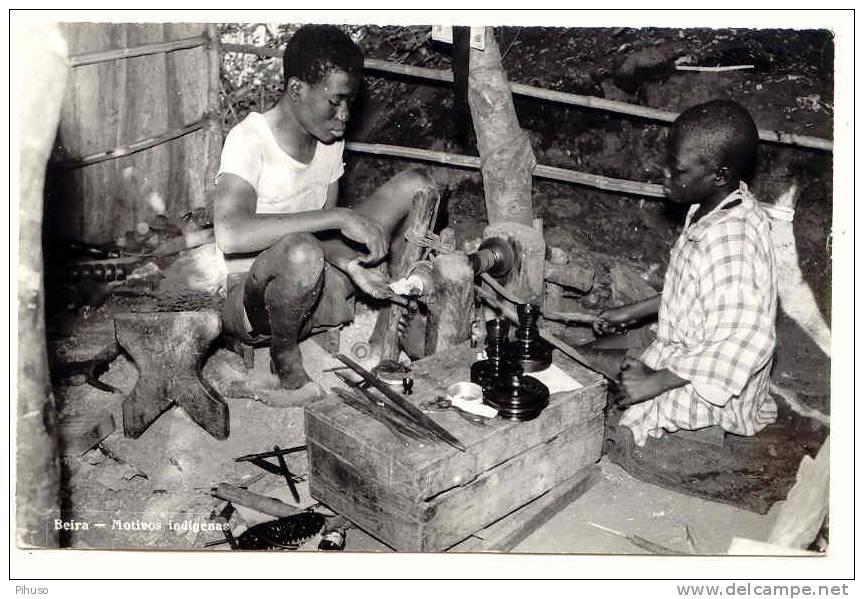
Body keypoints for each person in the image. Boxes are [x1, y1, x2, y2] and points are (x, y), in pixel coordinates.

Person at [213, 24, 435, 390]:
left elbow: (328, 237)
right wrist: (338, 216)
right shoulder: (248, 140)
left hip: (317, 282)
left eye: (350, 101)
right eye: (335, 101)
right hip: (255, 299)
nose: (345, 114)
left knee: (417, 185)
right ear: (296, 89)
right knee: (301, 249)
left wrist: (351, 264)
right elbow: (230, 234)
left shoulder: (329, 141)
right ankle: (284, 357)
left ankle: (391, 325)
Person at [592, 99, 778, 447]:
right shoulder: (713, 205)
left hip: (714, 385)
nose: (665, 174)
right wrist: (631, 312)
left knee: (611, 409)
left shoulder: (731, 242)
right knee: (588, 355)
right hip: (689, 348)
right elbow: (694, 292)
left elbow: (748, 339)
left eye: (677, 171)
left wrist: (656, 381)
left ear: (718, 175)